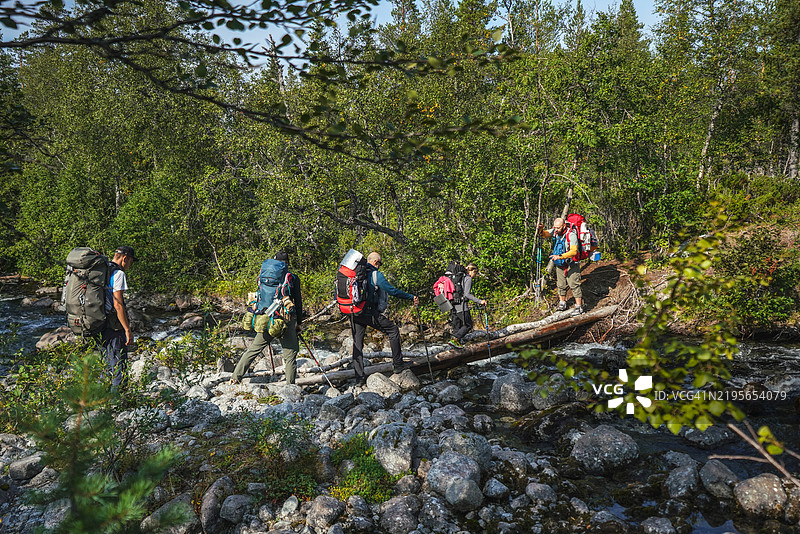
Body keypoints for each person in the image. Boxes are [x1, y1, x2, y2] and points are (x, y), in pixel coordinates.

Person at [232, 251, 304, 385]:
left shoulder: (263, 276)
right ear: (287, 263)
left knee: (254, 350)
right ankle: (290, 386)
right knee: (290, 355)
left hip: (265, 318)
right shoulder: (292, 278)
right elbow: (298, 303)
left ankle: (235, 377)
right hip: (285, 320)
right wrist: (299, 323)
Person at [352, 251, 419, 383]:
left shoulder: (356, 273)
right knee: (393, 330)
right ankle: (398, 365)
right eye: (380, 263)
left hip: (354, 311)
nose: (380, 266)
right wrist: (411, 297)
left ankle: (359, 379)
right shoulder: (375, 274)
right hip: (368, 312)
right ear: (375, 262)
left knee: (357, 344)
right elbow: (392, 291)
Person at [102, 245, 136, 388]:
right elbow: (118, 304)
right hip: (113, 326)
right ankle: (118, 401)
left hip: (99, 322)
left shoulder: (103, 270)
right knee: (118, 364)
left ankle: (102, 397)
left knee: (106, 362)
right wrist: (127, 329)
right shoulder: (118, 274)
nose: (129, 265)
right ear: (125, 258)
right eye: (130, 262)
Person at [538, 218, 584, 315]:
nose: (556, 229)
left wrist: (560, 256)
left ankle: (579, 307)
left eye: (558, 228)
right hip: (560, 264)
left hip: (572, 264)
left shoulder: (571, 234)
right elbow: (544, 234)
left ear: (564, 226)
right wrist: (541, 229)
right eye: (555, 227)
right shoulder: (555, 231)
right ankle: (562, 303)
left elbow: (574, 251)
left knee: (574, 285)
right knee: (561, 284)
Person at [449, 262, 487, 347]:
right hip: (462, 306)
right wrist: (480, 301)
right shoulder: (468, 278)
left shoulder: (459, 277)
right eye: (475, 273)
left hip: (453, 305)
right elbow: (467, 294)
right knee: (468, 325)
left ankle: (455, 345)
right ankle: (455, 339)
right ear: (472, 271)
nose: (475, 275)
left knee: (457, 326)